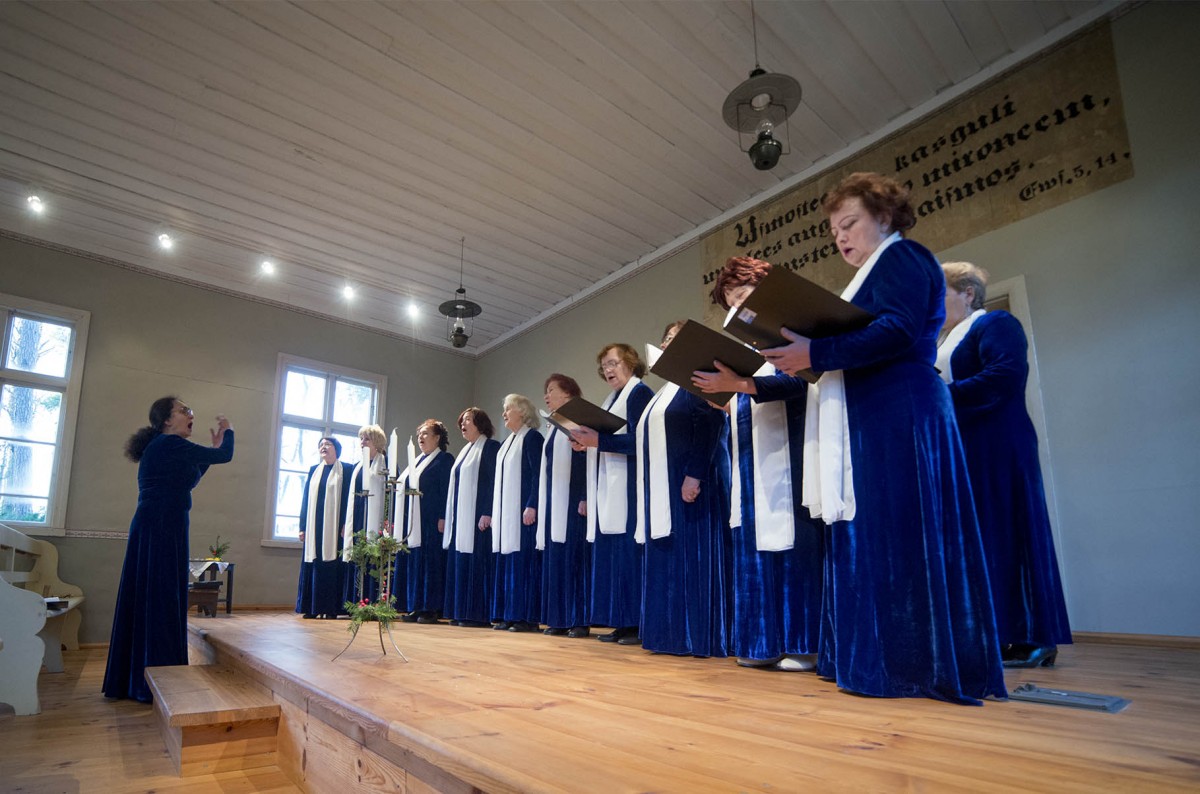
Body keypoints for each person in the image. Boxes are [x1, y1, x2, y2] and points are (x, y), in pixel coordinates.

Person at [761, 172, 1006, 704]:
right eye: (834, 231)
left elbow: (898, 329)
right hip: (874, 409)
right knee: (873, 534)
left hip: (901, 408)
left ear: (885, 216)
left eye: (849, 224)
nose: (841, 237)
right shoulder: (867, 274)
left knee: (900, 533)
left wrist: (815, 353)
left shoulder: (905, 256)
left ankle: (910, 665)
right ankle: (875, 658)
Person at [693, 256, 825, 672]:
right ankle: (763, 641)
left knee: (795, 544)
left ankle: (803, 644)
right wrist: (726, 397)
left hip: (790, 453)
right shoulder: (746, 349)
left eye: (742, 296)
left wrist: (738, 384)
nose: (736, 306)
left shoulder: (788, 330)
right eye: (730, 301)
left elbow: (799, 381)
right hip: (752, 460)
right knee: (753, 545)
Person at [938, 261, 1072, 668]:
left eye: (941, 294)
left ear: (968, 293)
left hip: (999, 442)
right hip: (965, 446)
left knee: (1009, 530)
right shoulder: (943, 340)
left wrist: (939, 395)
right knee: (980, 537)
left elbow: (1004, 376)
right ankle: (990, 633)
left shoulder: (995, 324)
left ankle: (1031, 636)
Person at [103, 397, 234, 702]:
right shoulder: (168, 444)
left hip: (165, 524)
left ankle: (144, 676)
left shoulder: (167, 448)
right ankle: (156, 677)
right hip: (160, 524)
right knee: (160, 595)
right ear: (166, 420)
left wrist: (212, 450)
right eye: (183, 410)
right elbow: (225, 456)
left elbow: (191, 479)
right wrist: (228, 432)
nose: (191, 414)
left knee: (158, 595)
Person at [635, 322, 730, 657]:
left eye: (676, 339)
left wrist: (694, 474)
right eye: (666, 339)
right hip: (664, 487)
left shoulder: (695, 381)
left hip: (690, 486)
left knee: (691, 558)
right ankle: (668, 634)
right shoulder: (663, 391)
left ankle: (694, 635)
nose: (668, 344)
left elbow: (710, 423)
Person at [569, 344, 654, 646]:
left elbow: (642, 440)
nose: (608, 369)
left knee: (628, 555)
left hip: (630, 486)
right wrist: (586, 443)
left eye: (613, 363)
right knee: (613, 556)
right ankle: (620, 621)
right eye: (604, 365)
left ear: (630, 363)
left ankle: (635, 623)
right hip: (609, 485)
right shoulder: (611, 399)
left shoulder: (639, 393)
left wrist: (600, 441)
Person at [538, 374, 592, 638]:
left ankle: (578, 619)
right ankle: (558, 618)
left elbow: (585, 460)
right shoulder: (553, 425)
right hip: (555, 501)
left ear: (568, 392)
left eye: (551, 390)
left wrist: (584, 496)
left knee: (575, 559)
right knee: (557, 559)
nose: (546, 396)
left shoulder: (577, 420)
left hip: (573, 501)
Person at [490, 394, 545, 632]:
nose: (504, 413)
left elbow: (537, 474)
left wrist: (532, 504)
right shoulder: (507, 443)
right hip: (506, 514)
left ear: (522, 412)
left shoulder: (532, 437)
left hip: (523, 512)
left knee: (523, 564)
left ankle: (525, 617)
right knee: (508, 562)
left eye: (508, 409)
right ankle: (508, 614)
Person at [442, 407, 500, 628]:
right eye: (462, 421)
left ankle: (477, 614)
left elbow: (493, 481)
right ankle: (460, 611)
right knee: (461, 561)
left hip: (479, 517)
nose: (463, 424)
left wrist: (488, 511)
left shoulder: (490, 447)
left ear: (480, 424)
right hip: (461, 516)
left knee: (478, 563)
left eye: (468, 420)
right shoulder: (465, 451)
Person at [397, 420, 455, 624]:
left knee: (431, 564)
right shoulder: (417, 461)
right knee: (416, 563)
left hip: (432, 521)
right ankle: (416, 605)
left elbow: (446, 490)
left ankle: (431, 608)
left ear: (437, 438)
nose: (420, 437)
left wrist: (443, 516)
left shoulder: (444, 459)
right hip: (415, 521)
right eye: (419, 434)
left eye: (425, 433)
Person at [296, 437, 354, 620]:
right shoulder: (314, 470)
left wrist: (346, 524)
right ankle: (312, 608)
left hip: (336, 527)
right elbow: (305, 500)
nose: (323, 447)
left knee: (332, 565)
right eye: (321, 445)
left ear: (336, 449)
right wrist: (302, 526)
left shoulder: (346, 469)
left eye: (327, 444)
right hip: (314, 526)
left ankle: (331, 608)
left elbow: (349, 499)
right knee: (314, 563)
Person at [343, 424, 390, 605]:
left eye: (366, 439)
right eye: (361, 439)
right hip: (357, 518)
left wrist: (387, 519)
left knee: (373, 559)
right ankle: (356, 601)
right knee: (358, 557)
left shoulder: (385, 464)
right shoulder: (357, 466)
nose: (362, 442)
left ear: (376, 442)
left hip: (375, 519)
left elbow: (390, 496)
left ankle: (373, 600)